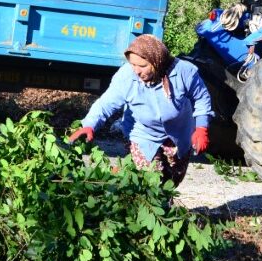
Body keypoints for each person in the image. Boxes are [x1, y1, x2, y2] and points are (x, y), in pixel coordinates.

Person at [68, 34, 212, 186]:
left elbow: (202, 98)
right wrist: (89, 124)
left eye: (142, 66)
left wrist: (201, 127)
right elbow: (106, 103)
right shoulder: (126, 77)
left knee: (173, 180)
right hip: (142, 135)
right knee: (151, 183)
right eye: (133, 65)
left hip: (179, 133)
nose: (136, 71)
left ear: (157, 61)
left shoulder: (184, 72)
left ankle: (166, 205)